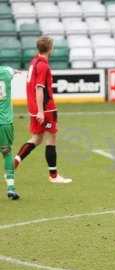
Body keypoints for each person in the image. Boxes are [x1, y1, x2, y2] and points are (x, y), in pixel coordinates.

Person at [14, 36, 71, 183]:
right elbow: (39, 88)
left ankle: (17, 159)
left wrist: (34, 109)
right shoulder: (43, 65)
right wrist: (40, 110)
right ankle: (54, 176)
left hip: (34, 107)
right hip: (45, 109)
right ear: (50, 49)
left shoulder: (34, 62)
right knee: (50, 139)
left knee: (37, 138)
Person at [0, 66, 20, 200]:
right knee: (7, 153)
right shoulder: (6, 71)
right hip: (4, 122)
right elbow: (14, 71)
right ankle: (11, 188)